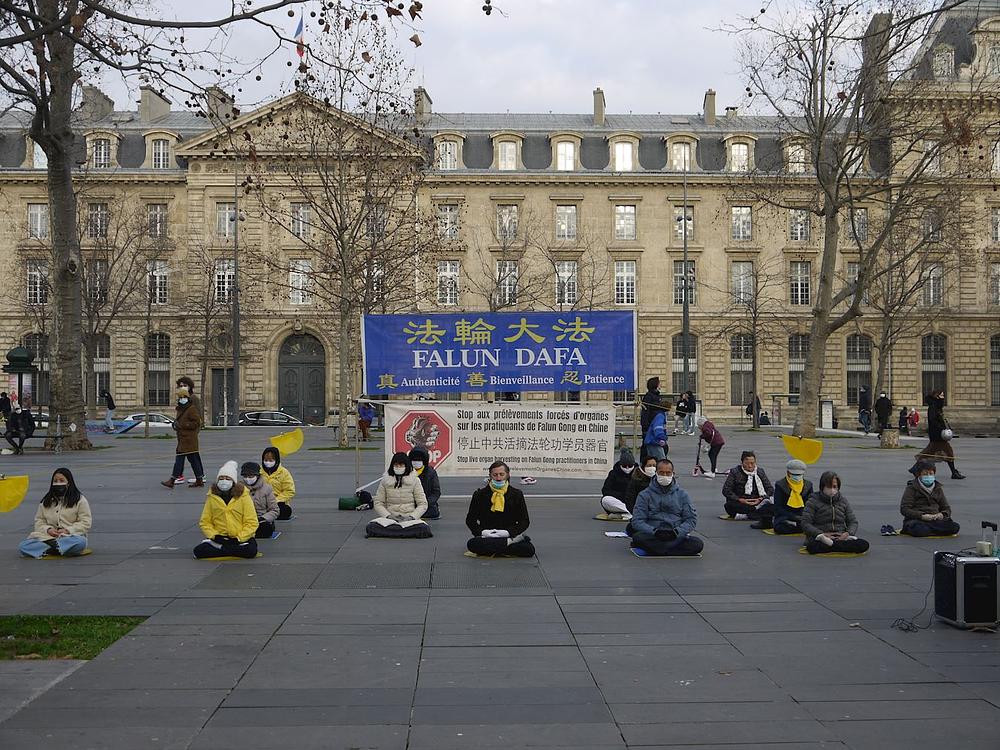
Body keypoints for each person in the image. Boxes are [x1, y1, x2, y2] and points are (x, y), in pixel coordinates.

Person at [629, 458, 704, 556]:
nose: (665, 476)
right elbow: (637, 521)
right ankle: (669, 549)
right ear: (656, 473)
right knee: (638, 537)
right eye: (661, 472)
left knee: (698, 544)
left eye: (668, 473)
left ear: (673, 473)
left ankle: (659, 549)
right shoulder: (644, 495)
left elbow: (691, 520)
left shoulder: (683, 495)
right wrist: (654, 532)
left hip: (675, 534)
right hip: (654, 534)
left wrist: (677, 532)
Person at [18, 468, 91, 558]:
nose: (58, 483)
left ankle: (49, 549)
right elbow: (39, 521)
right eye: (55, 481)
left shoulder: (79, 500)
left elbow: (85, 522)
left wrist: (67, 530)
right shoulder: (46, 501)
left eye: (61, 480)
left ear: (69, 483)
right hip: (48, 537)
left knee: (81, 542)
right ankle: (58, 549)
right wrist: (48, 530)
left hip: (70, 537)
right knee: (23, 546)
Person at [465, 460, 534, 557]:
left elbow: (524, 521)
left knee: (529, 549)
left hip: (509, 535)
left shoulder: (516, 494)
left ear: (507, 475)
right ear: (490, 476)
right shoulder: (479, 495)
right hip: (487, 536)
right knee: (472, 544)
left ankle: (497, 548)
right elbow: (470, 520)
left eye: (501, 474)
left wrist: (507, 533)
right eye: (495, 475)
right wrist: (483, 532)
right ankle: (507, 546)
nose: (498, 478)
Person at [193, 461, 259, 559]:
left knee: (250, 550)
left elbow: (252, 523)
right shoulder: (212, 497)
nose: (224, 481)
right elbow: (205, 522)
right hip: (219, 538)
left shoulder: (244, 497)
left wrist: (239, 538)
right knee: (198, 551)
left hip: (240, 539)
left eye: (228, 479)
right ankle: (229, 550)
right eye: (221, 478)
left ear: (233, 482)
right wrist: (215, 536)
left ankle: (225, 549)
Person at [801, 471, 870, 555]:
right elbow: (805, 523)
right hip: (821, 537)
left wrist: (847, 533)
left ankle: (834, 546)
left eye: (834, 487)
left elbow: (853, 522)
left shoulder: (843, 501)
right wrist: (821, 534)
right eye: (829, 486)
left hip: (840, 536)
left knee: (863, 544)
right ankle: (839, 547)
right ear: (822, 487)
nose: (832, 489)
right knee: (813, 546)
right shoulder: (813, 501)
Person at [367, 452, 432, 538]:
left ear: (407, 466)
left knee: (424, 529)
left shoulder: (415, 480)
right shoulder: (385, 481)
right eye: (396, 465)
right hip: (390, 519)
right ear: (392, 466)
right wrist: (388, 516)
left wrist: (412, 517)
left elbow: (423, 504)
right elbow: (378, 503)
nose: (398, 467)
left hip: (409, 519)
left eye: (401, 465)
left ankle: (393, 533)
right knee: (371, 527)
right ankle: (403, 533)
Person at [900, 461, 960, 537]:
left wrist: (941, 514)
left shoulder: (938, 488)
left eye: (931, 473)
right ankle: (935, 530)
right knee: (919, 529)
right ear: (919, 475)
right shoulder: (911, 488)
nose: (928, 476)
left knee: (955, 527)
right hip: (918, 520)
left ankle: (932, 530)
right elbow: (905, 509)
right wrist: (921, 516)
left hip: (935, 520)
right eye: (925, 474)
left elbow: (946, 508)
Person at [913, 390, 964, 479]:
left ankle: (915, 468)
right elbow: (933, 420)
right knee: (948, 452)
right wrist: (941, 428)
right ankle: (954, 473)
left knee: (929, 452)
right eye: (941, 395)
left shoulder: (937, 406)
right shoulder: (933, 407)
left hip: (938, 435)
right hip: (937, 435)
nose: (943, 397)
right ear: (937, 396)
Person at [162, 387, 205, 488]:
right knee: (194, 461)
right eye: (180, 397)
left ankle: (172, 480)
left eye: (184, 397)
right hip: (183, 440)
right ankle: (199, 480)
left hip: (189, 440)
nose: (182, 399)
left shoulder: (191, 409)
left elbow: (196, 422)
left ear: (187, 397)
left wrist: (182, 425)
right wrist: (175, 425)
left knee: (179, 460)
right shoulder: (181, 409)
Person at [721, 450, 774, 524]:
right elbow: (726, 490)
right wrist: (740, 499)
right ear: (742, 462)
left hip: (758, 502)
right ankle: (756, 514)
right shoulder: (735, 472)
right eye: (747, 463)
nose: (750, 466)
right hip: (742, 502)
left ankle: (749, 515)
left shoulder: (760, 471)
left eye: (752, 463)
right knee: (729, 506)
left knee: (773, 506)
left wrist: (761, 499)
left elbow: (770, 489)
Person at [772, 459, 812, 535]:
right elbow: (778, 507)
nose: (797, 477)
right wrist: (793, 517)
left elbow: (810, 505)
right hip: (785, 516)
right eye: (794, 474)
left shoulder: (808, 485)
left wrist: (803, 517)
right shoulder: (780, 485)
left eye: (799, 475)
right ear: (788, 473)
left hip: (802, 516)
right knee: (781, 527)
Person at [241, 461, 279, 539]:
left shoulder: (267, 488)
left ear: (257, 475)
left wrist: (263, 518)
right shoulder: (238, 489)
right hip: (244, 521)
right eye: (245, 476)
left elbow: (275, 510)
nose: (248, 478)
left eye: (251, 476)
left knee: (265, 529)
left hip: (261, 520)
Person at [599, 448, 637, 519]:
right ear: (620, 464)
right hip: (618, 502)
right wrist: (621, 495)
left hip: (634, 502)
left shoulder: (638, 474)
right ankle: (629, 513)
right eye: (624, 466)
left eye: (630, 466)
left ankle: (623, 514)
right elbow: (605, 490)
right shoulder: (613, 473)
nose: (627, 468)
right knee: (605, 500)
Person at [261, 446, 297, 519]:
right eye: (266, 460)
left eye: (271, 460)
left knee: (285, 511)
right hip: (261, 501)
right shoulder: (258, 471)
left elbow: (289, 491)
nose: (268, 462)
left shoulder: (284, 472)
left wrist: (276, 500)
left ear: (276, 460)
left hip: (278, 502)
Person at [409, 445, 442, 520]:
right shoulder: (406, 472)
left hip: (427, 506)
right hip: (409, 506)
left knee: (431, 513)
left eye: (419, 460)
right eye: (414, 460)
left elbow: (436, 492)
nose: (416, 462)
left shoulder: (431, 473)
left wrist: (424, 503)